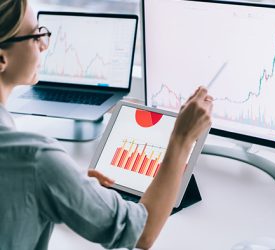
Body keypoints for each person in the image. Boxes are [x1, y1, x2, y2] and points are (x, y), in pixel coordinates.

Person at [0, 0, 213, 249]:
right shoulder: (36, 160)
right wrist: (182, 139)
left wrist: (60, 184)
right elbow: (141, 233)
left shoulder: (31, 163)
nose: (45, 44)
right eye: (36, 36)